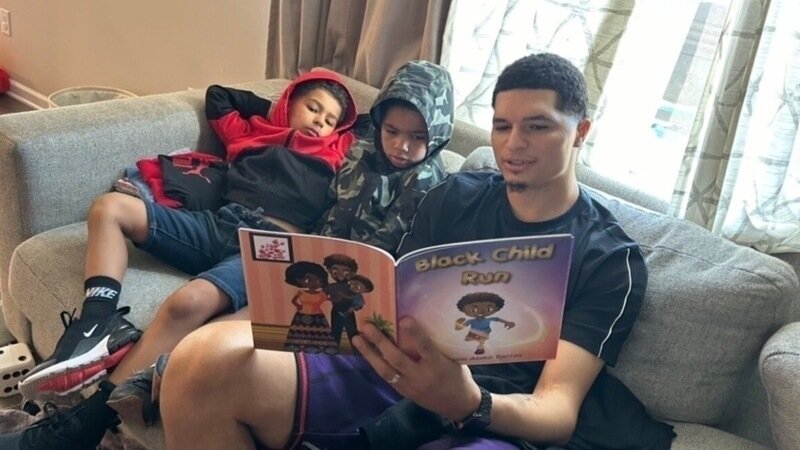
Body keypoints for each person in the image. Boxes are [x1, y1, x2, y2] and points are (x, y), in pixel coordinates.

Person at [156, 53, 676, 450]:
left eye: (537, 126)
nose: (513, 143)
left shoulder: (609, 258)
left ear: (580, 132)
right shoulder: (454, 196)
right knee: (199, 363)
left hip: (494, 411)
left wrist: (468, 400)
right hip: (387, 370)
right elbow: (389, 302)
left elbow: (556, 409)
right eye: (502, 125)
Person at [0, 60, 456, 450]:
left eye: (417, 137)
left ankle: (101, 412)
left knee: (207, 327)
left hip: (326, 282)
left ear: (438, 135)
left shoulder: (420, 182)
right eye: (392, 131)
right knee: (117, 218)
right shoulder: (359, 154)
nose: (401, 146)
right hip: (271, 247)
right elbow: (221, 98)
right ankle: (96, 343)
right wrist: (280, 109)